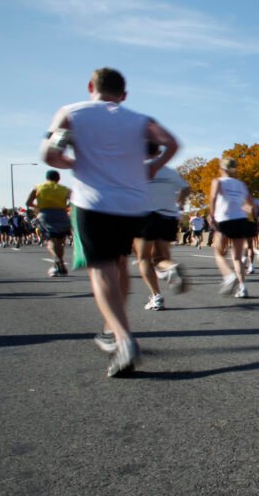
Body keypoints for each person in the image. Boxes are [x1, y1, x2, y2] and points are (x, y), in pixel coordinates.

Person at [42, 67, 179, 377]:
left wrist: (73, 162)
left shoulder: (72, 112)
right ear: (123, 95)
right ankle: (113, 325)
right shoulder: (138, 119)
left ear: (91, 86)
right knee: (120, 263)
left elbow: (50, 153)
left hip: (93, 201)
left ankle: (122, 338)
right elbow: (171, 142)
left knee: (101, 268)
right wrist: (153, 166)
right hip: (132, 204)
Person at [138, 142, 191, 309]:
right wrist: (180, 201)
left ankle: (156, 296)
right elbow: (186, 188)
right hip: (168, 216)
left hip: (145, 215)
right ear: (158, 152)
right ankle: (172, 267)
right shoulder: (168, 171)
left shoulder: (136, 169)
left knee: (144, 259)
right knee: (160, 258)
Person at [208, 158, 254, 298]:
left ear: (222, 169)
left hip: (224, 219)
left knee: (219, 253)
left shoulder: (218, 181)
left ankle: (228, 276)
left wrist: (211, 215)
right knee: (237, 257)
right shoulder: (241, 184)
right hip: (240, 220)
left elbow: (213, 197)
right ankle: (242, 287)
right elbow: (250, 204)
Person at [26, 170, 72, 276]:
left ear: (46, 178)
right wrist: (66, 207)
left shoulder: (37, 187)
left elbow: (28, 202)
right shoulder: (65, 189)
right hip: (62, 215)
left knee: (51, 240)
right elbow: (74, 201)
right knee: (60, 241)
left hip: (45, 214)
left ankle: (57, 260)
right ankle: (60, 266)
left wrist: (38, 206)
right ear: (58, 179)